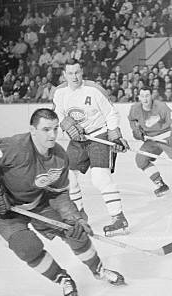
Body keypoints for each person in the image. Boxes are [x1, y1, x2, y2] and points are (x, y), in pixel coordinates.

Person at [0, 108, 125, 296]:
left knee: (75, 232)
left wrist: (74, 219)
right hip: (6, 211)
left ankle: (98, 269)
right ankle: (62, 278)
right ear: (33, 130)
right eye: (46, 129)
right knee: (27, 248)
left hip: (39, 203)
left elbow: (59, 194)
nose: (52, 135)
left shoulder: (59, 157)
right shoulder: (13, 147)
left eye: (56, 129)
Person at [52, 60, 131, 236]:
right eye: (70, 73)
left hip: (98, 135)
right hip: (78, 140)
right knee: (68, 177)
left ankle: (118, 218)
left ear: (82, 72)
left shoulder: (94, 90)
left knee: (100, 178)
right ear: (64, 75)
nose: (74, 76)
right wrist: (66, 123)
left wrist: (115, 134)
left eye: (77, 72)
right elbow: (58, 112)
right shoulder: (59, 92)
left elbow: (111, 113)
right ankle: (79, 215)